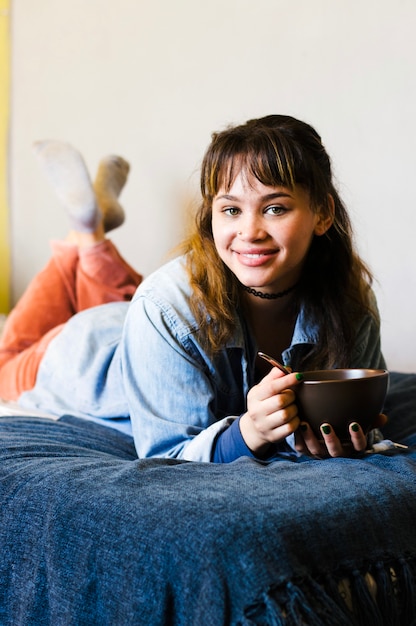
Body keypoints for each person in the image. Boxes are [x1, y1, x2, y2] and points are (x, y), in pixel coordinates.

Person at [0, 115, 387, 462]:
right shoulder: (165, 304)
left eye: (275, 208)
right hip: (78, 350)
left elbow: (362, 420)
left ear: (323, 213)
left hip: (139, 319)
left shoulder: (352, 303)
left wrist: (349, 435)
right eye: (231, 210)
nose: (249, 233)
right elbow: (168, 456)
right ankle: (85, 232)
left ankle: (90, 230)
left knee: (139, 297)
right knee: (6, 362)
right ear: (212, 215)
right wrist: (249, 431)